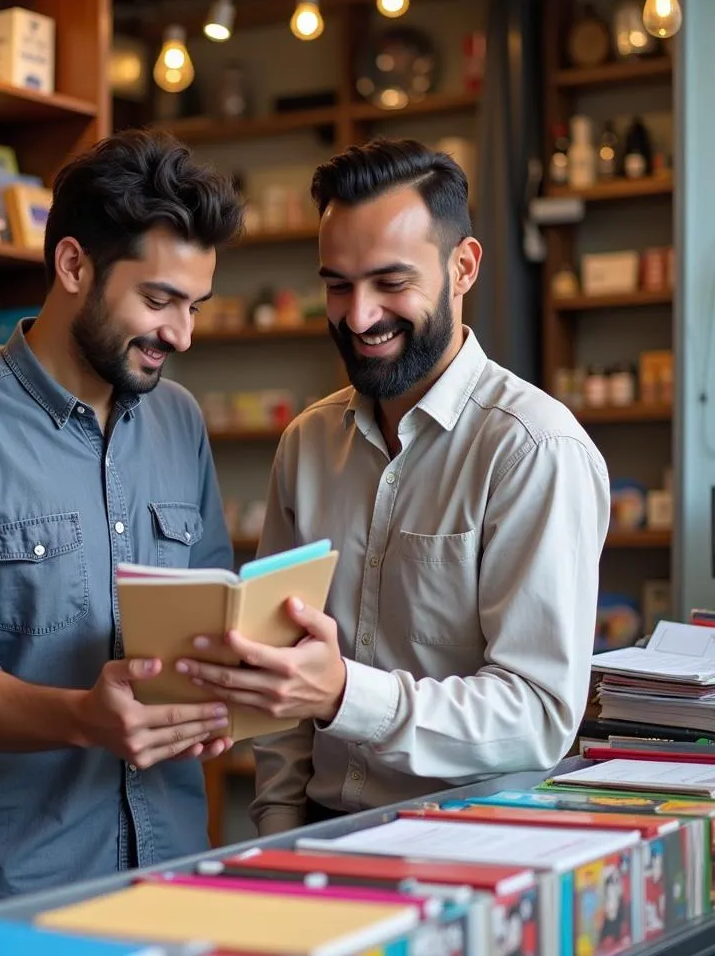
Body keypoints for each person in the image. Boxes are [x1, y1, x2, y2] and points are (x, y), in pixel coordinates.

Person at [174, 137, 611, 832]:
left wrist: (348, 694)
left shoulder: (533, 449)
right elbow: (280, 678)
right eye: (338, 284)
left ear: (462, 267)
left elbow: (539, 717)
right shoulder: (307, 444)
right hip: (315, 837)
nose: (358, 315)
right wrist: (280, 828)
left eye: (391, 283)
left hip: (474, 845)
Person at [0, 128, 243, 907]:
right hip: (7, 889)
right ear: (74, 265)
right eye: (158, 299)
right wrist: (83, 717)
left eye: (195, 305)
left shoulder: (179, 419)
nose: (183, 335)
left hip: (171, 871)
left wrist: (245, 676)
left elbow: (213, 611)